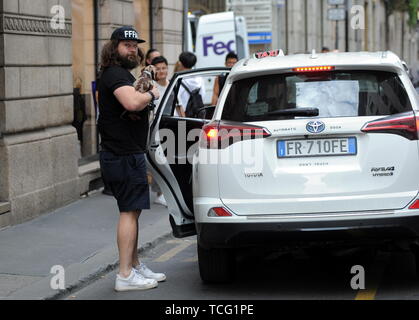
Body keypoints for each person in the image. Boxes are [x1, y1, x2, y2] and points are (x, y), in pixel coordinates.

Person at [97, 26, 166, 292]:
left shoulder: (122, 74)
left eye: (135, 45)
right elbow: (132, 103)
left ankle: (134, 266)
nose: (132, 48)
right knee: (128, 212)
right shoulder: (114, 74)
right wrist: (152, 94)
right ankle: (125, 274)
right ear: (114, 47)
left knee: (133, 211)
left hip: (127, 153)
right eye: (127, 45)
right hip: (122, 155)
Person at [150, 55, 170, 207]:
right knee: (159, 161)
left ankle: (167, 193)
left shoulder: (172, 85)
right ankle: (159, 193)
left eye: (164, 68)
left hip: (172, 128)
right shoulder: (151, 87)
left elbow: (179, 106)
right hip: (156, 129)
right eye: (158, 69)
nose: (161, 71)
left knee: (169, 161)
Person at [175, 51, 205, 117]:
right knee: (195, 127)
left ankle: (182, 128)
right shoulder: (199, 78)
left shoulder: (179, 79)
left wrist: (182, 119)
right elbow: (203, 96)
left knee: (181, 128)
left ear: (180, 63)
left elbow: (177, 102)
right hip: (195, 115)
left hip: (181, 117)